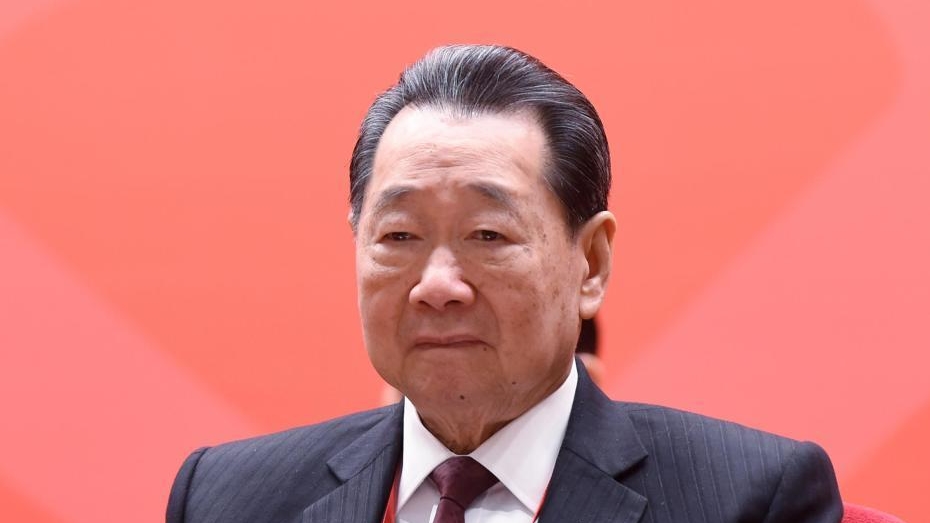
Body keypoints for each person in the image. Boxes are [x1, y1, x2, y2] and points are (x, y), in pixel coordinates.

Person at [166, 44, 842, 523]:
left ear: (591, 262)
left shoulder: (750, 499)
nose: (437, 285)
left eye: (487, 235)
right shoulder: (226, 498)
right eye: (399, 236)